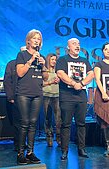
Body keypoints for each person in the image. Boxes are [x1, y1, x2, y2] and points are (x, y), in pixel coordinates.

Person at [55, 38, 94, 160]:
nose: (77, 46)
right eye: (74, 44)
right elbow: (61, 74)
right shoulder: (62, 60)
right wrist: (73, 83)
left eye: (78, 44)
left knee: (81, 123)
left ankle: (81, 148)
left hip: (81, 96)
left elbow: (91, 74)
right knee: (65, 124)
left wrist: (81, 84)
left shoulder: (84, 61)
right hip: (67, 96)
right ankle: (64, 150)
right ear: (68, 48)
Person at [15, 29, 49, 165]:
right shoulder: (22, 55)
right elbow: (20, 73)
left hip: (37, 93)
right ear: (28, 41)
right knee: (24, 122)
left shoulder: (42, 57)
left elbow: (45, 77)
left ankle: (30, 152)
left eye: (39, 39)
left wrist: (43, 65)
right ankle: (20, 153)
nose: (37, 41)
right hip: (24, 93)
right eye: (34, 38)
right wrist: (30, 60)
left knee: (33, 123)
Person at [42, 53, 61, 147]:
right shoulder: (44, 70)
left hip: (57, 96)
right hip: (46, 96)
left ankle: (58, 138)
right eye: (52, 59)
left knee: (58, 119)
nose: (54, 61)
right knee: (47, 118)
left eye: (55, 60)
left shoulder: (58, 71)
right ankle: (49, 137)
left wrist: (59, 80)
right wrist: (50, 82)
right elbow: (40, 83)